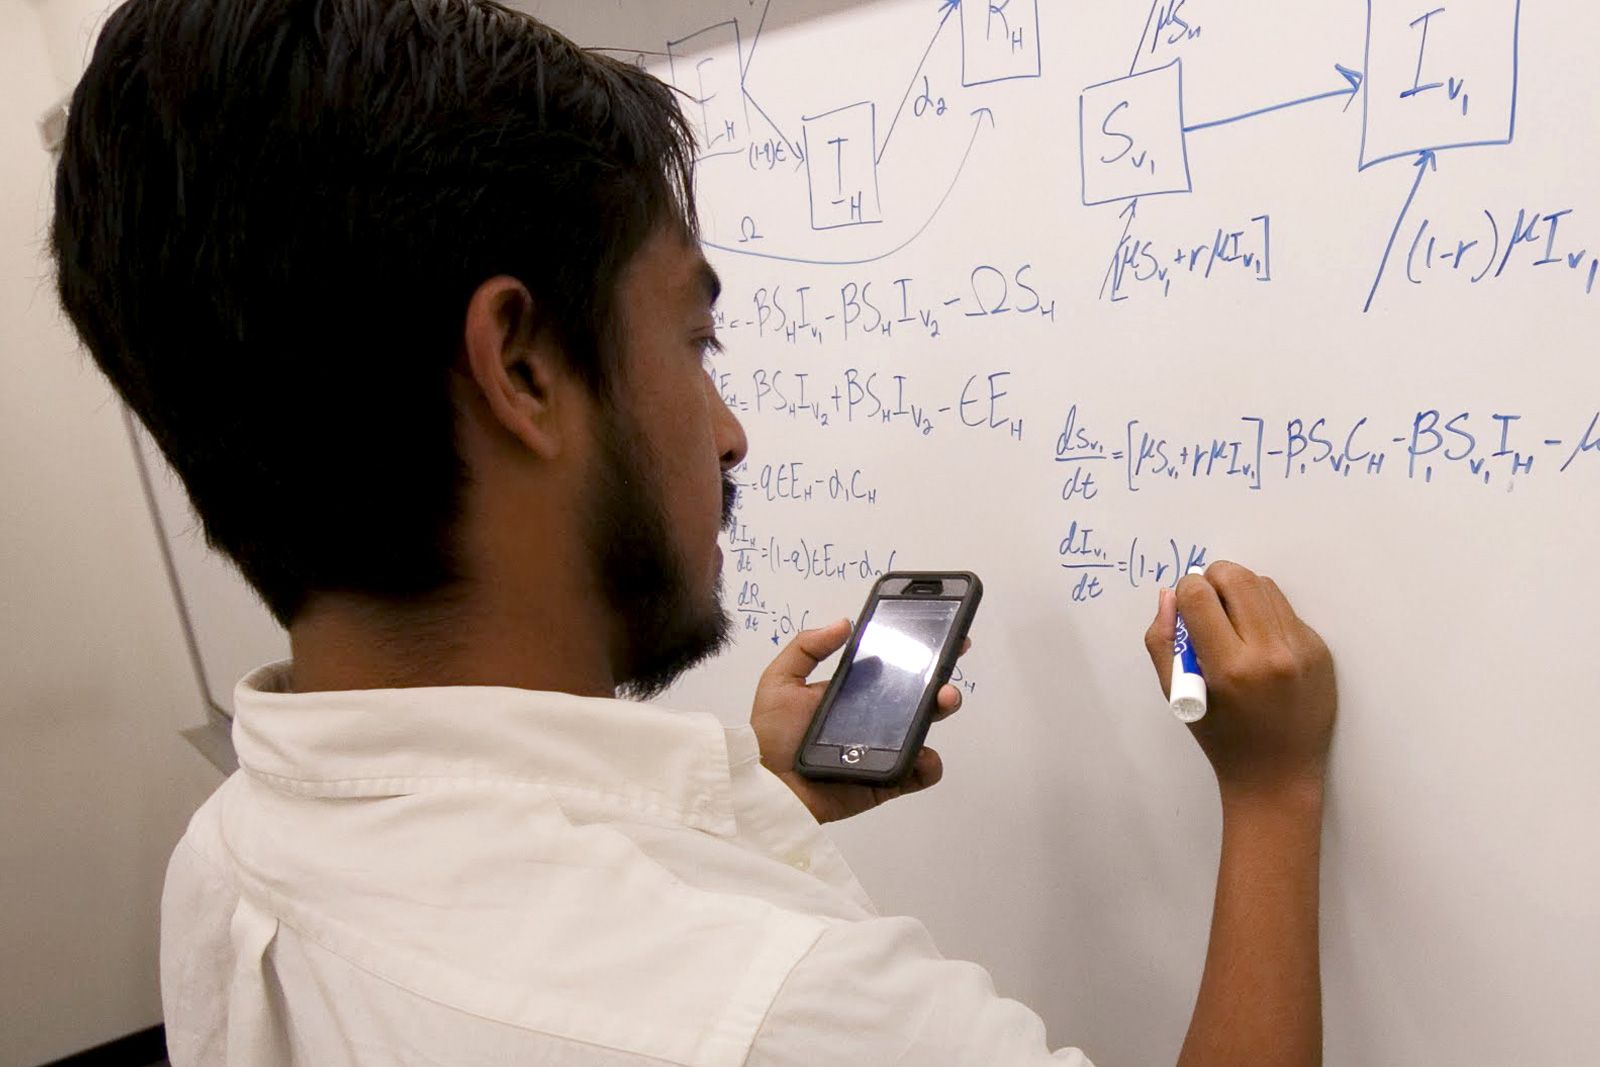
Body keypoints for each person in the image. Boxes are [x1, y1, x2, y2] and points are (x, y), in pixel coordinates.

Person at [50, 0, 1337, 1064]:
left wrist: (753, 795)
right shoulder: (779, 1011)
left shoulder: (231, 854)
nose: (727, 432)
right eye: (692, 338)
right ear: (523, 369)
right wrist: (1271, 791)